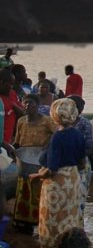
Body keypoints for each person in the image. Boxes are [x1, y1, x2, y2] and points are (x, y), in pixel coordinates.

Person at [30, 98, 86, 248]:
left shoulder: (57, 137)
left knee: (53, 227)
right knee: (69, 223)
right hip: (73, 181)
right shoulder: (78, 135)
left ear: (55, 115)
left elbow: (52, 167)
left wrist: (37, 175)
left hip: (57, 184)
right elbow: (82, 162)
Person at [11, 93, 56, 233]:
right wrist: (12, 152)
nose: (27, 105)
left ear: (37, 106)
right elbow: (17, 142)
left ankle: (37, 221)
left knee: (37, 192)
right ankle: (22, 221)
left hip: (39, 159)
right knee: (23, 191)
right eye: (25, 103)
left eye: (31, 103)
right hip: (25, 159)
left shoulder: (46, 121)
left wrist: (47, 148)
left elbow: (56, 136)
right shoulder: (21, 121)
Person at [0, 70, 25, 143]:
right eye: (10, 84)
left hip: (9, 141)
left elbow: (23, 112)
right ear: (1, 82)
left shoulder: (11, 94)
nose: (12, 87)